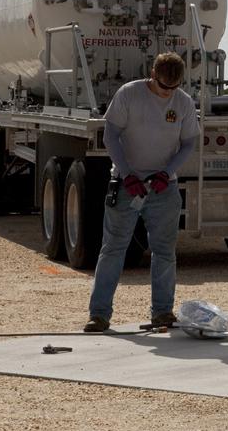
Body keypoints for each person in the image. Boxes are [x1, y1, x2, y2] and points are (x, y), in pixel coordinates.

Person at [84, 53, 199, 332]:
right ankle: (99, 315)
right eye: (162, 86)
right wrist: (127, 174)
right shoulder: (129, 94)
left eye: (173, 87)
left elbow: (188, 143)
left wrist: (166, 172)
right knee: (113, 249)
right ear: (152, 73)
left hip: (164, 187)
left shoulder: (183, 102)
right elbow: (110, 135)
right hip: (127, 184)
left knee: (164, 251)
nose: (167, 93)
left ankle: (162, 312)